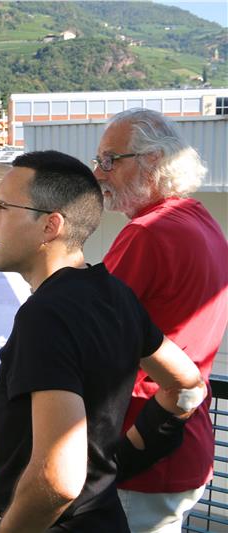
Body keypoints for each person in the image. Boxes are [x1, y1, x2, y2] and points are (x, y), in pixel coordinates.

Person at [0, 151, 205, 532]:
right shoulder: (115, 295)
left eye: (0, 207)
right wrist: (122, 459)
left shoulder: (44, 316)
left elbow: (58, 480)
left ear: (50, 225)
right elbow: (186, 385)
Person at [94, 108, 228, 532]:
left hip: (142, 446)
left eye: (110, 160)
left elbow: (90, 334)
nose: (99, 173)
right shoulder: (201, 220)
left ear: (152, 160)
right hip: (184, 439)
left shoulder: (146, 234)